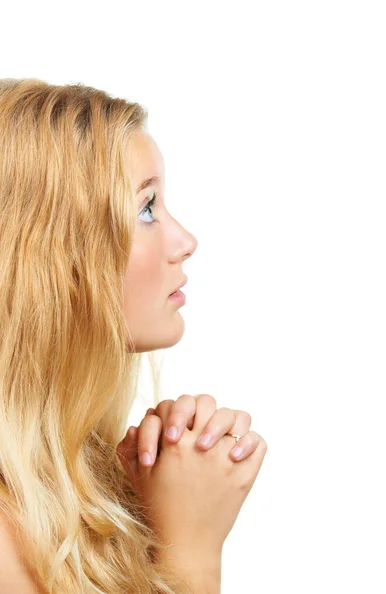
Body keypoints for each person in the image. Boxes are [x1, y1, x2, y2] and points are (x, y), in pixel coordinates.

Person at [0, 78, 267, 593]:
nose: (185, 241)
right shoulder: (9, 542)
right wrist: (190, 552)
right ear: (53, 259)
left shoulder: (67, 489)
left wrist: (148, 508)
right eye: (146, 209)